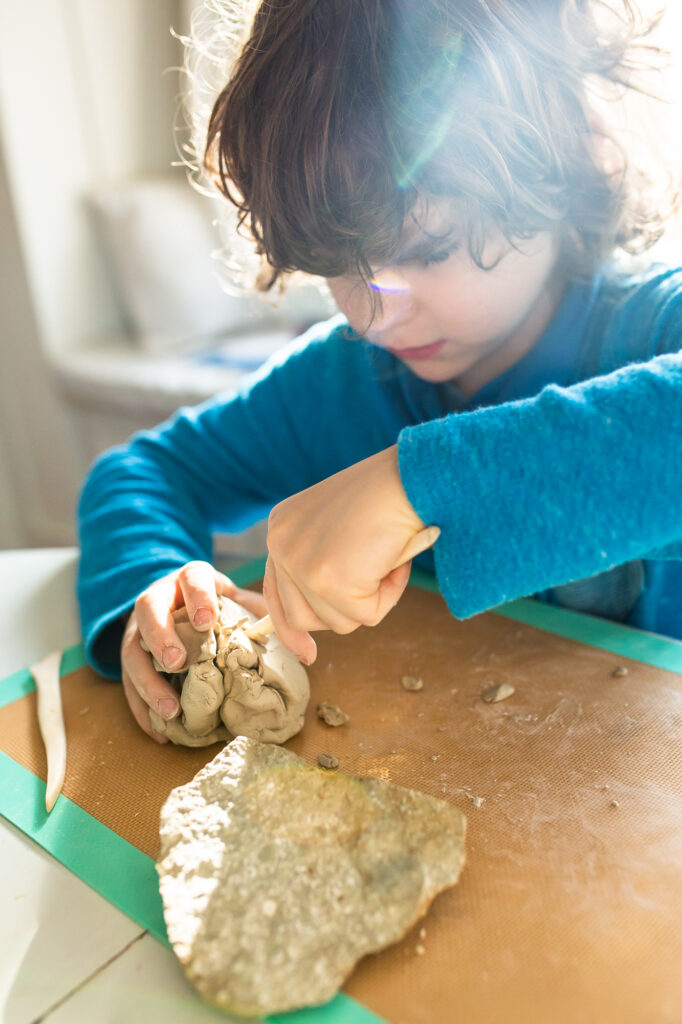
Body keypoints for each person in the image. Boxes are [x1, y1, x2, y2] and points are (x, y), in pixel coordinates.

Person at [77, 0, 682, 742]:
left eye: (430, 251)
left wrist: (412, 485)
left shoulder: (651, 328)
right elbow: (141, 471)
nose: (377, 317)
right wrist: (154, 580)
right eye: (336, 269)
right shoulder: (341, 381)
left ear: (568, 157)